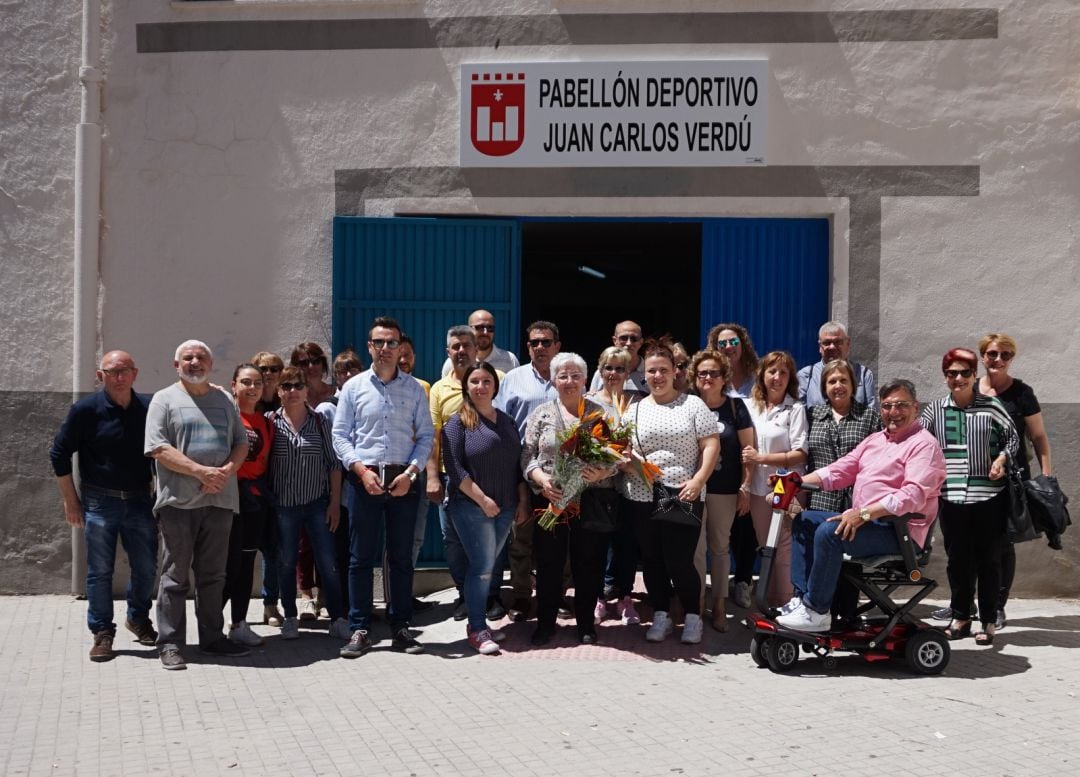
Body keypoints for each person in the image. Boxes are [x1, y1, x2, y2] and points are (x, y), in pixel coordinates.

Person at [775, 379, 946, 632]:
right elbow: (842, 469)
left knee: (830, 533)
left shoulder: (923, 444)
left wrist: (864, 513)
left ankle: (817, 611)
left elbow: (912, 495)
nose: (893, 412)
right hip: (868, 522)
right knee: (806, 520)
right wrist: (795, 482)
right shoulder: (876, 440)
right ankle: (802, 600)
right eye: (887, 406)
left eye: (901, 405)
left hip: (899, 532)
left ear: (915, 408)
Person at [144, 340, 250, 670]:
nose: (194, 362)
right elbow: (158, 448)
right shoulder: (164, 400)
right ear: (176, 365)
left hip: (219, 502)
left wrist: (224, 473)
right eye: (187, 358)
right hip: (178, 503)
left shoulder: (224, 399)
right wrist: (201, 471)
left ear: (211, 363)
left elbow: (240, 444)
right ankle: (171, 643)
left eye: (200, 357)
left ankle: (212, 639)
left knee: (213, 576)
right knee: (175, 576)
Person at [333, 317, 435, 657]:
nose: (386, 349)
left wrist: (411, 474)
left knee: (401, 558)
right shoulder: (354, 388)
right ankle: (359, 627)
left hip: (403, 480)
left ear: (400, 348)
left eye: (392, 343)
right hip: (366, 480)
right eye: (380, 342)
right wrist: (360, 471)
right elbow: (340, 436)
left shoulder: (414, 389)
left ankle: (401, 626)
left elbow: (426, 436)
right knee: (360, 557)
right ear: (370, 346)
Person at [49, 350, 159, 662]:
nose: (119, 377)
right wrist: (71, 500)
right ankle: (102, 632)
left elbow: (162, 453)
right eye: (112, 372)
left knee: (147, 567)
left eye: (124, 370)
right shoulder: (86, 410)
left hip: (140, 500)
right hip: (99, 501)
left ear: (135, 373)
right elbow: (58, 454)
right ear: (101, 376)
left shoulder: (149, 408)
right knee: (99, 571)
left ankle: (138, 618)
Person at [619, 340, 719, 644]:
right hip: (640, 496)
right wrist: (626, 462)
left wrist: (699, 480)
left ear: (675, 371)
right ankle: (660, 614)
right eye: (652, 371)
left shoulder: (693, 405)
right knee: (651, 559)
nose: (658, 376)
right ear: (644, 374)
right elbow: (622, 450)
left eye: (663, 370)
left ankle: (692, 616)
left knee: (680, 560)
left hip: (683, 494)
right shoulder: (633, 410)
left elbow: (712, 444)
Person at [921, 348, 1019, 646]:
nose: (959, 378)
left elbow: (1013, 438)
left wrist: (1001, 459)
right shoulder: (934, 411)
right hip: (951, 497)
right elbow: (920, 445)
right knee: (958, 560)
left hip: (989, 496)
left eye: (965, 372)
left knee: (989, 559)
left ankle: (988, 620)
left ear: (975, 375)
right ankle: (962, 615)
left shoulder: (991, 406)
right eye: (953, 373)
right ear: (945, 377)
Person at [523, 353, 622, 646]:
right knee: (548, 564)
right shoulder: (541, 413)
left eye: (575, 375)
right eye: (563, 376)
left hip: (590, 499)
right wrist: (540, 479)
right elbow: (527, 454)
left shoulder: (600, 413)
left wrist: (602, 470)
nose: (569, 381)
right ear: (553, 380)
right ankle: (545, 623)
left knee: (588, 564)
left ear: (584, 379)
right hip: (551, 499)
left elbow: (617, 456)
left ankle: (585, 624)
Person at [442, 363, 529, 653]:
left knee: (489, 568)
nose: (481, 386)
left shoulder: (506, 421)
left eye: (487, 381)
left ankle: (480, 623)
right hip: (471, 505)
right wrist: (483, 500)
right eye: (475, 381)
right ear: (466, 387)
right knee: (481, 568)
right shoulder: (456, 424)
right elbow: (455, 470)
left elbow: (516, 467)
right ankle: (477, 628)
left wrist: (521, 501)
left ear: (495, 385)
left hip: (505, 506)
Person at [265, 366, 349, 641]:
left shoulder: (320, 421)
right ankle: (290, 616)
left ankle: (337, 617)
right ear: (278, 391)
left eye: (297, 386)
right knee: (287, 563)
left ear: (306, 390)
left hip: (317, 504)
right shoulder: (270, 422)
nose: (292, 391)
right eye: (286, 386)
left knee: (328, 562)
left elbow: (334, 465)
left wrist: (335, 502)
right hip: (284, 507)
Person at [975, 333, 1052, 629]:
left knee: (1002, 544)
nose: (998, 360)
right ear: (983, 356)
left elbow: (1039, 437)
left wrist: (1047, 476)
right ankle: (966, 605)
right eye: (993, 354)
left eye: (1006, 355)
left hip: (1012, 479)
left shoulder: (1021, 393)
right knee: (970, 543)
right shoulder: (971, 388)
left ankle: (996, 607)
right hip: (974, 477)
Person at [494, 320, 562, 621]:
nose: (540, 348)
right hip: (519, 468)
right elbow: (500, 421)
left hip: (562, 471)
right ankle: (521, 596)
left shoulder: (568, 376)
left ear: (557, 346)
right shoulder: (513, 379)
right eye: (534, 342)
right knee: (521, 536)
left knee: (558, 539)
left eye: (546, 342)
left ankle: (556, 595)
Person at [688, 349, 754, 632]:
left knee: (720, 548)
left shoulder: (736, 408)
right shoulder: (688, 405)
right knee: (695, 549)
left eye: (713, 373)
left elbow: (748, 452)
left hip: (724, 489)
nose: (707, 378)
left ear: (724, 376)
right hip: (692, 489)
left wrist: (745, 486)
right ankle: (697, 603)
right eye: (702, 373)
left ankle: (719, 606)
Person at [742, 351, 808, 607]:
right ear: (762, 375)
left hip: (787, 485)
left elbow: (800, 453)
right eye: (772, 371)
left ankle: (787, 602)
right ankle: (769, 601)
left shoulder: (796, 408)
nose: (777, 377)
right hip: (759, 488)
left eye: (783, 372)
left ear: (789, 377)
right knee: (765, 546)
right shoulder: (750, 406)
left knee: (784, 546)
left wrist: (762, 458)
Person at [427, 326, 485, 618]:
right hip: (451, 478)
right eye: (455, 346)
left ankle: (490, 596)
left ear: (477, 349)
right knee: (452, 538)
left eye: (466, 345)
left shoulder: (491, 381)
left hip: (486, 478)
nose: (461, 350)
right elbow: (433, 437)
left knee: (489, 537)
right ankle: (464, 594)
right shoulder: (438, 389)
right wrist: (433, 476)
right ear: (447, 352)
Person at [705, 322, 759, 608]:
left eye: (733, 342)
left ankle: (743, 582)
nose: (728, 348)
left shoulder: (756, 377)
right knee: (719, 536)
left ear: (743, 344)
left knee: (746, 529)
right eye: (722, 343)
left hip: (751, 458)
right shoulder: (710, 380)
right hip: (720, 464)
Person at [588, 346, 643, 626]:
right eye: (608, 367)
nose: (613, 373)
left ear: (628, 372)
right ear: (600, 370)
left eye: (619, 368)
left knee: (627, 546)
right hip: (598, 487)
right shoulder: (588, 403)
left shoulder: (638, 403)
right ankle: (597, 597)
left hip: (631, 487)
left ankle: (624, 598)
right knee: (597, 545)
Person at [222, 364, 274, 648]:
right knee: (226, 566)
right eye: (245, 382)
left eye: (257, 383)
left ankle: (239, 624)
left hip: (254, 502)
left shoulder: (266, 422)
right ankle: (210, 625)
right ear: (234, 385)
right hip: (228, 501)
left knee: (245, 564)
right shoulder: (226, 417)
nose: (252, 388)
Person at [289, 342, 335, 621]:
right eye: (303, 362)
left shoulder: (337, 393)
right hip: (301, 478)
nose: (311, 367)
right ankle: (306, 595)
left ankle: (328, 595)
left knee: (330, 540)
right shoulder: (293, 395)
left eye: (315, 360)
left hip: (334, 475)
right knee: (303, 542)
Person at [804, 359, 882, 514]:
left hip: (857, 505)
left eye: (843, 380)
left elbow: (879, 461)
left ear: (852, 385)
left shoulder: (869, 417)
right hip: (819, 501)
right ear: (824, 387)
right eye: (832, 381)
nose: (838, 385)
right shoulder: (812, 416)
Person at [251, 350, 284, 625]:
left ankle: (270, 604)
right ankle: (233, 612)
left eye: (274, 368)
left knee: (273, 552)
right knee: (243, 550)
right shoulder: (249, 405)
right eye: (263, 368)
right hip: (252, 487)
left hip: (280, 489)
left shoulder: (287, 402)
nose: (269, 373)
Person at [796, 322, 879, 411]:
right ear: (820, 346)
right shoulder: (806, 376)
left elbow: (873, 412)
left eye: (838, 342)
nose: (832, 347)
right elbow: (799, 414)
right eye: (827, 343)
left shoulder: (863, 374)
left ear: (848, 344)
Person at [440, 309, 520, 376]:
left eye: (490, 328)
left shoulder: (509, 360)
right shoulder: (452, 363)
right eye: (480, 327)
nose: (485, 332)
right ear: (469, 329)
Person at [589, 320, 649, 393]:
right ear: (615, 340)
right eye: (623, 338)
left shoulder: (650, 372)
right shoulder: (602, 372)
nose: (629, 343)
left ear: (641, 342)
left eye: (634, 339)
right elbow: (592, 399)